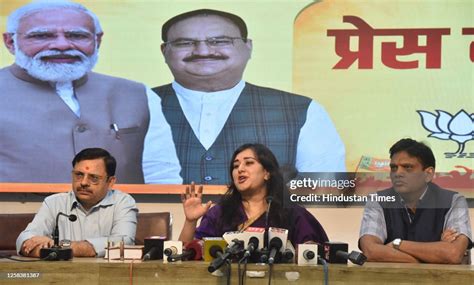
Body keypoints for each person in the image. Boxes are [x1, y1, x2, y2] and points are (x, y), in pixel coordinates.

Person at [154, 9, 345, 184]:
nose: (203, 51)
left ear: (248, 47)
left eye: (220, 41)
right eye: (185, 43)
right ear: (164, 51)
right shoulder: (133, 106)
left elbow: (324, 194)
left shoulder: (302, 110)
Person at [0, 0, 181, 184]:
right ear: (10, 42)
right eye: (42, 36)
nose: (62, 45)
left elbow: (161, 175)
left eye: (77, 36)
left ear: (97, 40)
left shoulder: (136, 93)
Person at [179, 143, 328, 246]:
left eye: (249, 163)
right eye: (235, 166)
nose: (240, 169)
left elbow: (314, 257)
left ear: (267, 173)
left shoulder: (292, 213)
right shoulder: (220, 213)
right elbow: (186, 255)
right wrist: (190, 221)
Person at [359, 138, 472, 264]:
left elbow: (453, 253)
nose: (398, 173)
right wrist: (433, 255)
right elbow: (370, 251)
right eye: (394, 167)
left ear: (428, 174)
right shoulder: (378, 201)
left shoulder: (453, 201)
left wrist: (398, 244)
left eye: (407, 167)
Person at [16, 148, 138, 258]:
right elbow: (25, 240)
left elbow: (123, 242)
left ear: (110, 182)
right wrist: (50, 250)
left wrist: (58, 246)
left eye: (94, 178)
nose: (84, 182)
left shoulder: (123, 202)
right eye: (79, 175)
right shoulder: (54, 202)